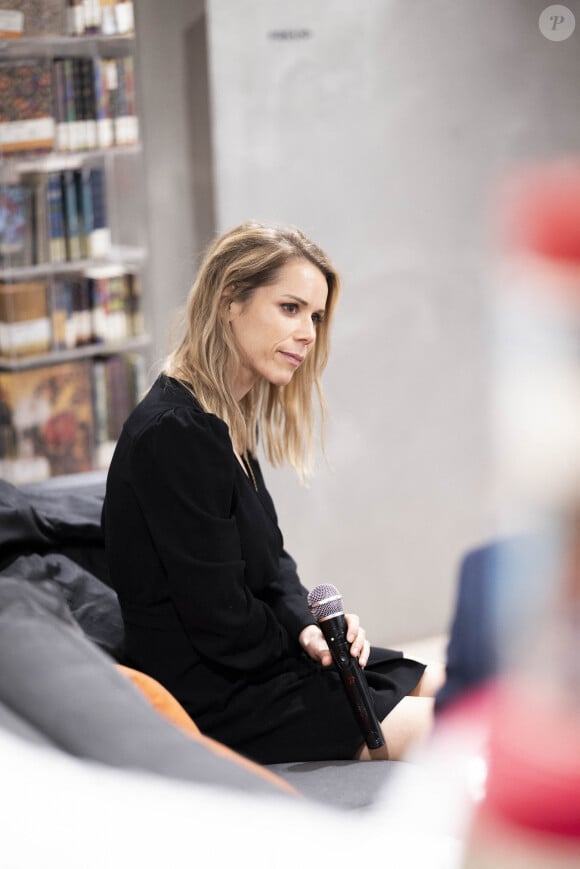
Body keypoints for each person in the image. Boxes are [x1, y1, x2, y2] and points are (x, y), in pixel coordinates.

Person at [102, 221, 442, 764]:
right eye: (290, 309)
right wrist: (307, 650)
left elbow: (273, 568)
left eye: (315, 316)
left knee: (463, 686)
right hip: (223, 698)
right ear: (229, 299)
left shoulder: (221, 417)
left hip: (263, 666)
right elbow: (222, 621)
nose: (308, 332)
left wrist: (311, 628)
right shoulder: (177, 434)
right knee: (465, 730)